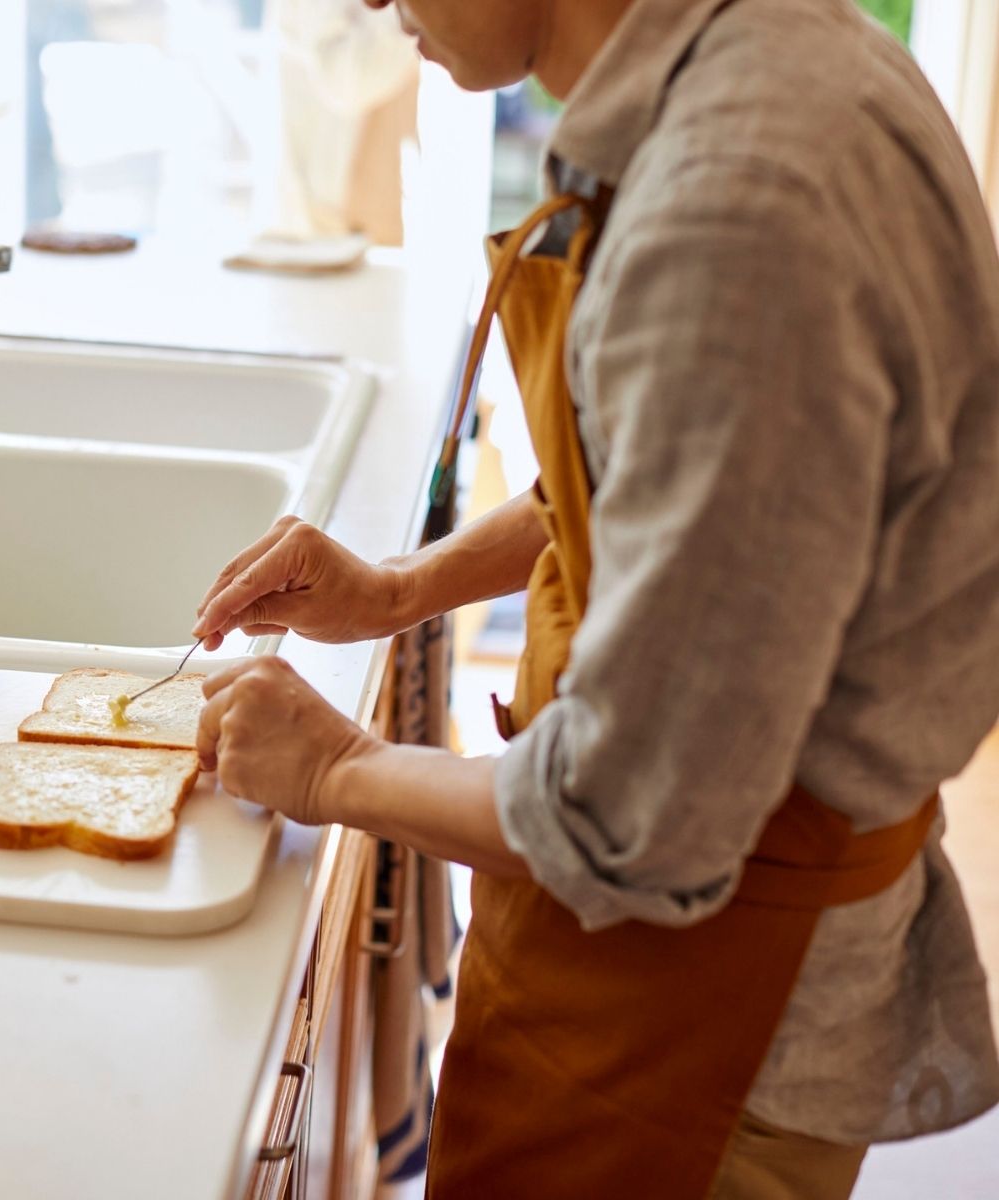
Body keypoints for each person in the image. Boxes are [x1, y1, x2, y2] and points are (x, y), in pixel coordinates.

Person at [189, 1, 999, 1197]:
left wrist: (332, 773)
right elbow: (670, 504)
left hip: (705, 1041)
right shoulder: (770, 65)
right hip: (679, 982)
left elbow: (631, 817)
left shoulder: (736, 209)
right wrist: (402, 587)